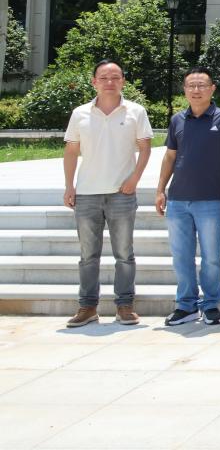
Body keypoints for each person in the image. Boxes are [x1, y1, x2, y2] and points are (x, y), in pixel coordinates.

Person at [62, 60, 153, 328]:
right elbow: (71, 151)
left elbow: (145, 148)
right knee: (88, 256)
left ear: (123, 81)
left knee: (124, 254)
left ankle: (124, 305)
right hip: (87, 194)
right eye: (103, 77)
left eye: (115, 77)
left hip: (121, 193)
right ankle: (87, 306)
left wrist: (134, 179)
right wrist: (69, 186)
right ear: (94, 82)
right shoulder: (80, 113)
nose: (109, 82)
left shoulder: (136, 111)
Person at [155, 67, 220, 326]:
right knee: (181, 257)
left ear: (212, 88)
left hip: (211, 200)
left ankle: (211, 304)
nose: (196, 90)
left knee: (211, 257)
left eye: (202, 85)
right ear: (184, 90)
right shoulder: (177, 120)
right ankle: (186, 305)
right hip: (178, 200)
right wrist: (160, 190)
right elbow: (170, 156)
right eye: (191, 85)